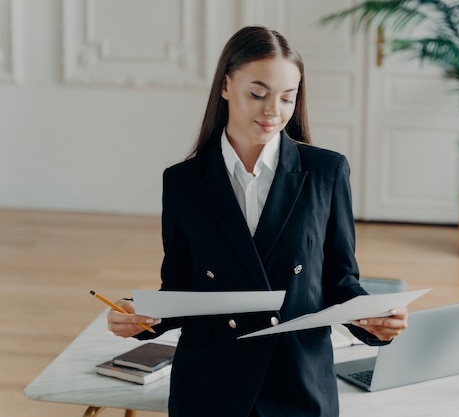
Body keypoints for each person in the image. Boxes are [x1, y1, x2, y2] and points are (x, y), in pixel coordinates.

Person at [107, 25, 408, 417]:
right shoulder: (183, 182)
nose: (273, 111)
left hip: (299, 384)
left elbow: (339, 281)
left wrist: (373, 319)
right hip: (211, 387)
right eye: (258, 93)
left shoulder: (326, 172)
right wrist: (140, 316)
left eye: (287, 97)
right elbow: (182, 289)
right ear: (226, 86)